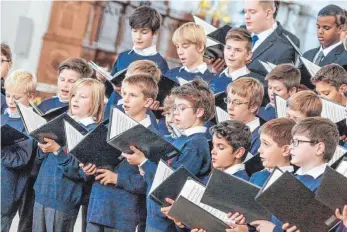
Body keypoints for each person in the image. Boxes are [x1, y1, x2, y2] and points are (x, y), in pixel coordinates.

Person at [1, 70, 37, 232]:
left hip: (5, 195)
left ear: (30, 96)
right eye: (8, 95)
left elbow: (21, 159)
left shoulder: (30, 124)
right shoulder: (2, 116)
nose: (10, 101)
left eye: (17, 98)